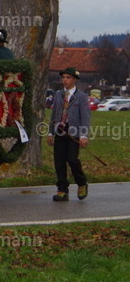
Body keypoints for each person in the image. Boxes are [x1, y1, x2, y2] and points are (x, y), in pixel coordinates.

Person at [48, 66, 91, 201]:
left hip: (74, 133)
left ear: (75, 80)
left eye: (68, 78)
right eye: (63, 78)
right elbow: (54, 115)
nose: (65, 80)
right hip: (60, 132)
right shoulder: (58, 94)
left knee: (72, 159)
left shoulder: (81, 97)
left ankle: (81, 182)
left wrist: (84, 136)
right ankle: (62, 189)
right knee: (59, 161)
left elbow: (85, 117)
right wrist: (50, 133)